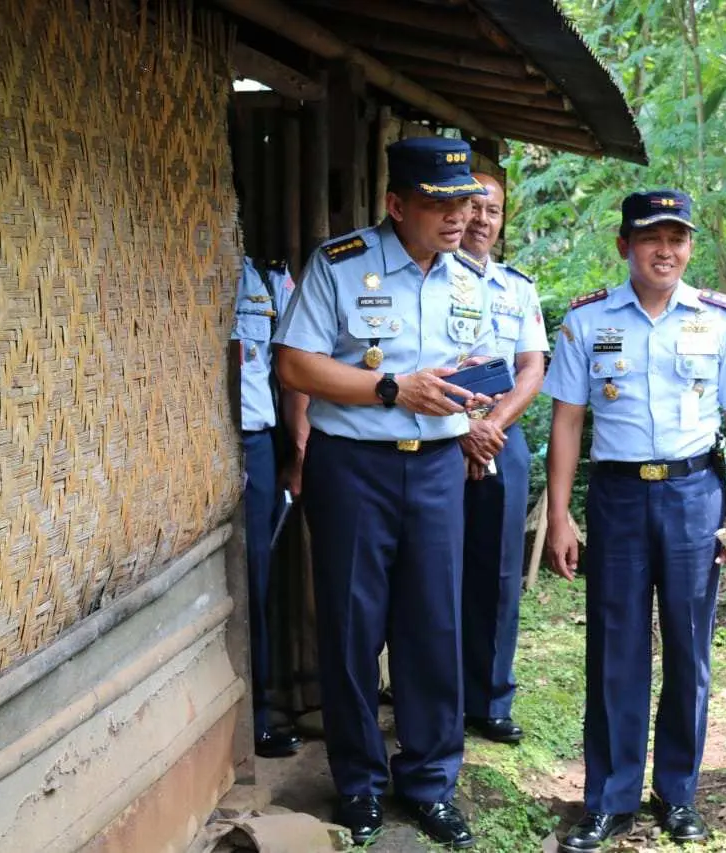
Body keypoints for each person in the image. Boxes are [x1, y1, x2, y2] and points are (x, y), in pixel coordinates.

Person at [277, 136, 495, 849]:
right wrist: (390, 387)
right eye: (439, 203)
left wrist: (473, 417)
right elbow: (295, 365)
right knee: (351, 625)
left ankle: (430, 782)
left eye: (463, 201)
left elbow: (480, 370)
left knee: (434, 626)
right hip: (355, 468)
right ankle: (361, 782)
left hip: (436, 469)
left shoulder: (468, 279)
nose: (457, 216)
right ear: (397, 204)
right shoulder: (341, 265)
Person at [543, 190, 726, 852]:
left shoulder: (721, 319)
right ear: (625, 246)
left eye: (677, 238)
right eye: (650, 238)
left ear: (689, 246)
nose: (665, 250)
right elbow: (567, 423)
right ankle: (610, 798)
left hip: (693, 494)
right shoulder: (586, 321)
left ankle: (677, 792)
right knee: (615, 648)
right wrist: (559, 517)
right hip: (617, 498)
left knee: (688, 647)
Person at [456, 173, 548, 746]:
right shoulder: (432, 278)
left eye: (493, 210)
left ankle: (489, 699)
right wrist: (462, 428)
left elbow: (532, 368)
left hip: (501, 438)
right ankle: (432, 691)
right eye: (472, 207)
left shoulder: (518, 288)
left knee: (498, 572)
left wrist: (490, 427)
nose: (482, 219)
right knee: (432, 570)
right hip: (438, 437)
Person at [231, 257, 302, 759]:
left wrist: (296, 451)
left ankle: (256, 717)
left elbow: (291, 369)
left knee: (254, 579)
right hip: (188, 443)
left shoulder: (265, 279)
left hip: (254, 442)